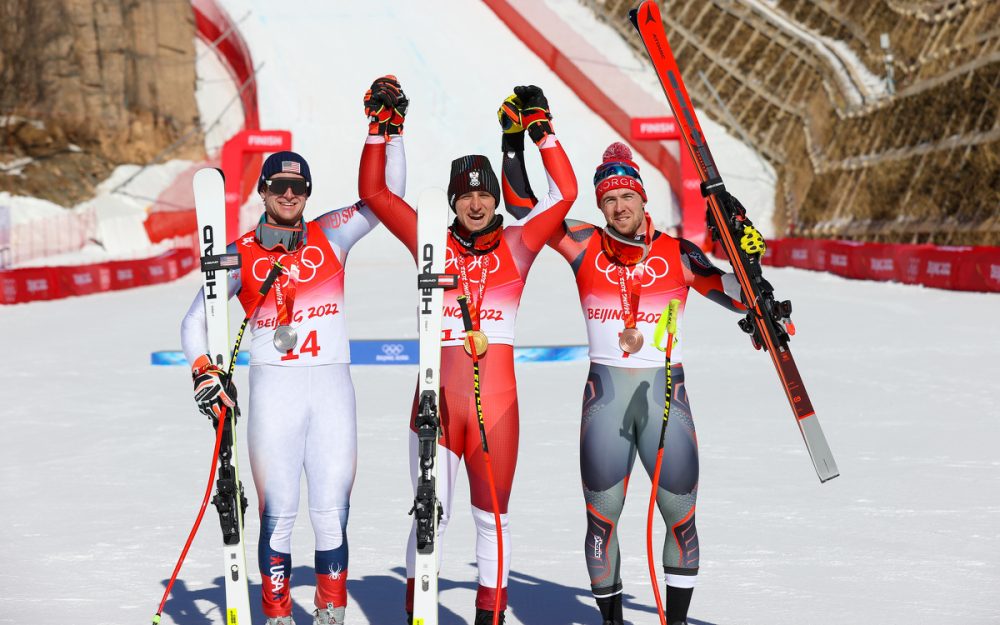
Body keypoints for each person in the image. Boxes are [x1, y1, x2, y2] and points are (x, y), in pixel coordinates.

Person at [180, 76, 409, 625]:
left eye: (298, 189)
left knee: (332, 516)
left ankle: (330, 613)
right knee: (277, 517)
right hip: (275, 389)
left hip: (331, 389)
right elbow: (194, 321)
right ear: (262, 191)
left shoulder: (332, 232)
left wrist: (389, 132)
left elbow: (389, 200)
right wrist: (203, 370)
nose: (289, 196)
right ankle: (278, 615)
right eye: (279, 187)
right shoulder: (238, 255)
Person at [501, 138, 745, 625]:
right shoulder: (584, 244)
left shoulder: (678, 253)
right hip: (605, 401)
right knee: (601, 520)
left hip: (665, 398)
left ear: (642, 198)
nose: (619, 207)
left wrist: (746, 255)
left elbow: (738, 299)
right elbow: (525, 206)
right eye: (609, 199)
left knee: (681, 519)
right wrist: (515, 145)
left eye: (626, 196)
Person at [359, 85, 577, 625]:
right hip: (433, 404)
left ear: (494, 200)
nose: (475, 203)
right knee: (429, 515)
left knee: (492, 520)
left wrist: (541, 131)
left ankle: (490, 615)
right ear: (453, 201)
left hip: (496, 410)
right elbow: (375, 193)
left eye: (483, 195)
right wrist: (381, 130)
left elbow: (566, 194)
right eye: (465, 195)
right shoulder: (430, 238)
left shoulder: (521, 246)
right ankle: (419, 611)